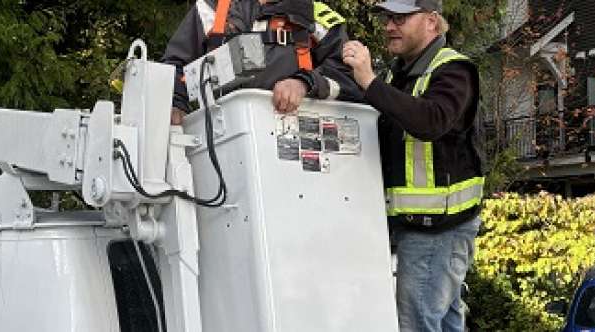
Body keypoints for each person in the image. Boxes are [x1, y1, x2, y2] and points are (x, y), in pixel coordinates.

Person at [341, 0, 484, 331]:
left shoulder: (454, 70)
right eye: (388, 18)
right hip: (421, 228)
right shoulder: (398, 75)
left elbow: (431, 121)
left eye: (401, 18)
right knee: (443, 322)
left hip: (439, 228)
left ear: (432, 22)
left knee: (418, 324)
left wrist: (369, 81)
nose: (390, 25)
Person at [161, 0, 361, 124]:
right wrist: (175, 103)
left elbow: (349, 77)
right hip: (221, 137)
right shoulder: (210, 8)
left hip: (296, 143)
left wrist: (304, 83)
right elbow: (175, 65)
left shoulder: (316, 16)